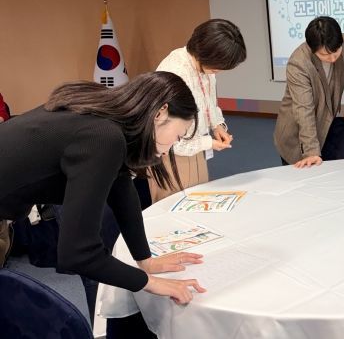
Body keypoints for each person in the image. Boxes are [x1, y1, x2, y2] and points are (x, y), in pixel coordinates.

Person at [0, 72, 206, 305]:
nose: (172, 146)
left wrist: (145, 260)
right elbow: (79, 253)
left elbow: (122, 190)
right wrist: (150, 283)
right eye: (178, 135)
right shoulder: (104, 138)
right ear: (160, 113)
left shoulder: (105, 115)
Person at [152, 19, 246, 201]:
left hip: (195, 146)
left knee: (199, 199)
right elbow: (166, 138)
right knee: (175, 204)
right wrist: (208, 143)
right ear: (205, 54)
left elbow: (209, 100)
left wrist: (217, 125)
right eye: (217, 69)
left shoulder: (203, 66)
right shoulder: (176, 73)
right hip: (170, 153)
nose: (218, 72)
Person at [273, 16, 344, 168]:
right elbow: (304, 109)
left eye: (336, 51)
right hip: (296, 134)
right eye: (325, 55)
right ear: (312, 49)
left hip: (326, 126)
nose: (333, 58)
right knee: (301, 176)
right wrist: (310, 151)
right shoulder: (299, 63)